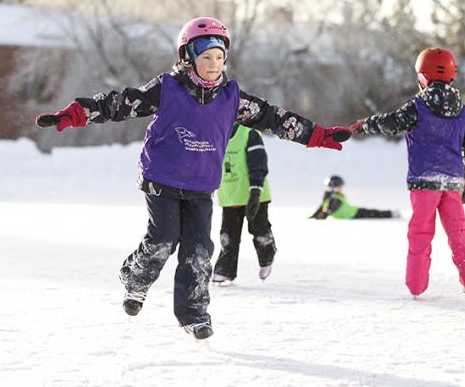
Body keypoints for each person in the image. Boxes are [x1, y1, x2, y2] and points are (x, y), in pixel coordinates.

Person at [36, 17, 351, 339]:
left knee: (199, 250)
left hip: (201, 185)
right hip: (162, 179)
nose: (214, 64)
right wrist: (74, 114)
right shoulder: (167, 89)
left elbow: (274, 118)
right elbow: (119, 104)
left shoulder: (232, 98)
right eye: (206, 58)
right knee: (162, 240)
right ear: (188, 58)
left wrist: (318, 135)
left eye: (219, 57)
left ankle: (194, 315)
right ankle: (135, 278)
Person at [348, 47, 465, 298]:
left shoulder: (418, 106)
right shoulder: (462, 111)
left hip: (424, 182)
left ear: (424, 77)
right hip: (453, 183)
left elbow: (391, 122)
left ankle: (417, 286)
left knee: (421, 232)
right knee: (459, 235)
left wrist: (366, 124)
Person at [212, 124, 275, 285]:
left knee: (258, 229)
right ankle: (225, 270)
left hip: (255, 194)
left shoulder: (249, 134)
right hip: (230, 196)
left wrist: (255, 191)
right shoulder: (214, 133)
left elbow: (258, 164)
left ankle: (267, 256)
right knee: (228, 234)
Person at [310, 175, 398, 220]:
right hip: (353, 214)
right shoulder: (335, 198)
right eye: (340, 186)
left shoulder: (331, 197)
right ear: (335, 187)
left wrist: (316, 216)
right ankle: (391, 213)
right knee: (373, 213)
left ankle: (391, 213)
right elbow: (327, 210)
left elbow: (324, 209)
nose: (342, 188)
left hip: (353, 212)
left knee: (372, 212)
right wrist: (318, 217)